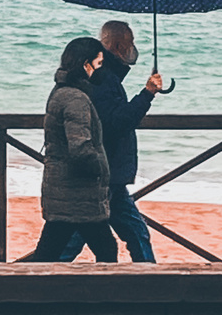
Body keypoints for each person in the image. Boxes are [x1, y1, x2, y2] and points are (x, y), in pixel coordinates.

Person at [58, 21, 162, 263]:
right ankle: (152, 283)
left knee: (134, 233)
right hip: (106, 170)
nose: (133, 49)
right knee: (78, 238)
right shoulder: (105, 80)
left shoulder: (104, 76)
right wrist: (147, 94)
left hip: (108, 171)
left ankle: (151, 281)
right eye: (130, 43)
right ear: (119, 45)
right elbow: (117, 123)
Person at [26, 37, 119, 262]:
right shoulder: (75, 99)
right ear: (86, 64)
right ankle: (107, 296)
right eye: (98, 64)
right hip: (78, 193)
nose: (100, 70)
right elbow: (80, 147)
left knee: (50, 250)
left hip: (65, 190)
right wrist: (99, 169)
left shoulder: (62, 90)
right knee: (106, 250)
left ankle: (32, 290)